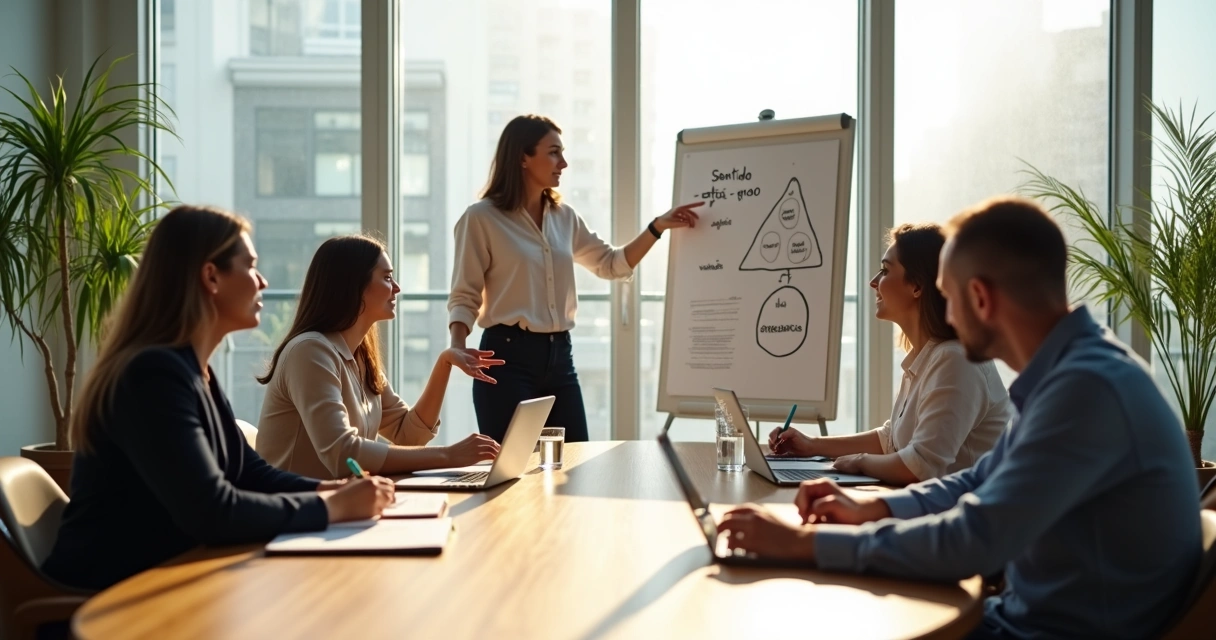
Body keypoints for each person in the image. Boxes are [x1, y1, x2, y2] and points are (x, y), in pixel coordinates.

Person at [717, 197, 1201, 639]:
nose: (943, 312)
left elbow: (975, 540)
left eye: (948, 295)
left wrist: (806, 545)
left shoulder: (1087, 393)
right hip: (1015, 617)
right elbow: (976, 479)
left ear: (981, 299)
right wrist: (874, 510)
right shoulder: (1074, 374)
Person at [42, 206, 395, 591]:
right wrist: (332, 508)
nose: (262, 281)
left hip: (170, 583)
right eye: (250, 266)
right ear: (211, 276)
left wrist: (326, 490)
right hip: (111, 602)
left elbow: (249, 472)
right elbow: (212, 511)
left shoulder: (193, 372)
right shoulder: (151, 377)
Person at [449, 114, 703, 442]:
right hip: (507, 359)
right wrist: (458, 346)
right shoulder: (481, 218)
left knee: (574, 466)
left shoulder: (564, 217)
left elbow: (611, 264)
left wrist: (656, 227)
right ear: (523, 157)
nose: (564, 163)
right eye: (553, 152)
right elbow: (465, 294)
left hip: (560, 359)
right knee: (511, 473)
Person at [769, 223, 1011, 485]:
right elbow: (891, 440)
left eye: (885, 270)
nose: (873, 282)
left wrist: (859, 461)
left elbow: (919, 466)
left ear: (917, 285)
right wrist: (811, 445)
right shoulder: (929, 358)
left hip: (954, 518)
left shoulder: (956, 361)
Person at [257, 235, 503, 479]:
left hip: (342, 503)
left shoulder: (361, 357)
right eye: (387, 277)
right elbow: (345, 454)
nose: (397, 287)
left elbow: (408, 435)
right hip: (297, 509)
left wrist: (444, 363)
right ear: (352, 285)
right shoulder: (309, 352)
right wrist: (449, 456)